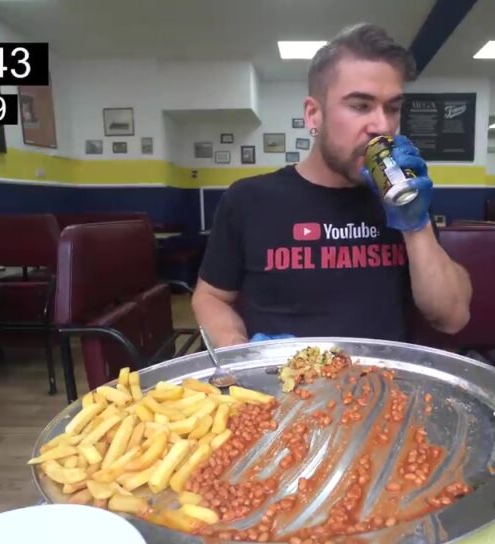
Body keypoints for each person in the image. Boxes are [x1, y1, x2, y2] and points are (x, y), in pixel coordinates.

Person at [192, 23, 472, 348]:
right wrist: (242, 353)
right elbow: (210, 297)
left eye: (392, 108)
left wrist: (416, 225)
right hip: (279, 388)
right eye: (360, 106)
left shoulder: (403, 198)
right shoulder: (249, 199)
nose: (382, 126)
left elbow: (452, 318)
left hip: (383, 388)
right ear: (313, 115)